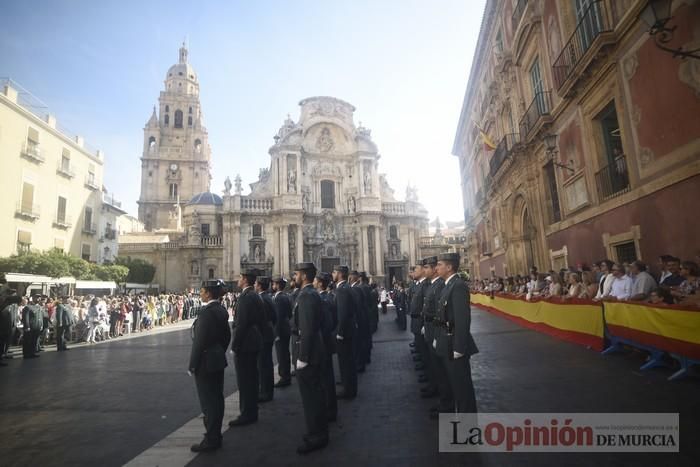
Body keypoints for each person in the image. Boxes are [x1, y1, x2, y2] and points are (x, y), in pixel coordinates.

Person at [188, 279, 231, 453]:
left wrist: (192, 364)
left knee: (208, 402)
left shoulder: (207, 312)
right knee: (217, 398)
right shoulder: (221, 310)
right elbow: (227, 336)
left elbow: (199, 342)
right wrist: (219, 351)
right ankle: (216, 435)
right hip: (217, 359)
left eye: (202, 291)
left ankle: (211, 439)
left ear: (208, 293)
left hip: (205, 362)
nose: (201, 293)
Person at [434, 253, 478, 415]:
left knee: (462, 389)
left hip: (455, 344)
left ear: (449, 267)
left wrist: (460, 347)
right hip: (447, 342)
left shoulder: (457, 285)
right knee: (455, 385)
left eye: (439, 264)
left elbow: (462, 319)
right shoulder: (448, 284)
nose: (436, 268)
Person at [293, 262, 329, 454]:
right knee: (316, 394)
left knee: (311, 397)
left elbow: (306, 329)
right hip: (316, 350)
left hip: (310, 353)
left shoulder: (307, 296)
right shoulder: (312, 294)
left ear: (304, 276)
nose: (294, 277)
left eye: (297, 274)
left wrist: (303, 356)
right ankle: (320, 432)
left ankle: (317, 435)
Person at [229, 269, 265, 427]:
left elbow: (241, 324)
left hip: (245, 344)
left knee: (244, 380)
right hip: (254, 340)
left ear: (244, 280)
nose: (237, 280)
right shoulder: (255, 295)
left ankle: (247, 413)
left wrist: (235, 346)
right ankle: (252, 410)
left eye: (240, 278)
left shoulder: (245, 297)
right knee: (252, 378)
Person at [314, 272, 338, 423]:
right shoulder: (329, 297)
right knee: (327, 376)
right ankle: (330, 407)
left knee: (326, 378)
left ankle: (329, 409)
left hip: (323, 342)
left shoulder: (322, 299)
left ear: (321, 283)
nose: (314, 282)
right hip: (327, 341)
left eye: (316, 281)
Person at [332, 265, 357, 399]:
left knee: (345, 361)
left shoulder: (341, 290)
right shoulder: (347, 287)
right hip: (350, 329)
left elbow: (342, 314)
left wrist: (340, 332)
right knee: (349, 361)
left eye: (334, 272)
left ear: (340, 274)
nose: (332, 274)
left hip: (345, 332)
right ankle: (350, 386)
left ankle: (348, 390)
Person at [255, 276, 276, 403]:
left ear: (259, 286)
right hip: (268, 333)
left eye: (256, 284)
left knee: (263, 365)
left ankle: (265, 392)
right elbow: (274, 317)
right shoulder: (268, 297)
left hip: (263, 335)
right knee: (267, 364)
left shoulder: (262, 299)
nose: (255, 285)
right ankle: (268, 390)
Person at [272, 276, 293, 388]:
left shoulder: (279, 298)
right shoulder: (286, 296)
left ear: (278, 285)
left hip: (281, 330)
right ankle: (286, 375)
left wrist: (277, 333)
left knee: (282, 354)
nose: (272, 286)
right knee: (285, 353)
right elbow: (289, 314)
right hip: (286, 328)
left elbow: (278, 318)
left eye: (274, 284)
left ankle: (284, 377)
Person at [0, 294, 20, 365]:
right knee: (1, 344)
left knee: (6, 342)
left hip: (9, 327)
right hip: (3, 328)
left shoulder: (10, 306)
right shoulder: (3, 307)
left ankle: (4, 354)